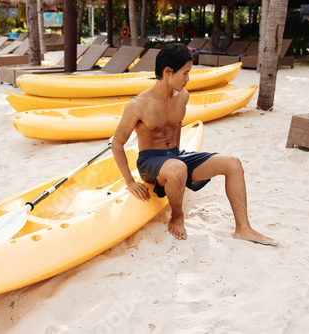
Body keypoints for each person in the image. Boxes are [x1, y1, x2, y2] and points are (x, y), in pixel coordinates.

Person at [111, 43, 278, 246]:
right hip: (150, 162)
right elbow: (117, 143)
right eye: (185, 73)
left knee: (233, 163)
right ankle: (177, 216)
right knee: (177, 168)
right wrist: (130, 181)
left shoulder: (182, 96)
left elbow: (177, 125)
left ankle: (243, 228)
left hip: (175, 156)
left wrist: (176, 156)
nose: (188, 79)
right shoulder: (138, 105)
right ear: (167, 72)